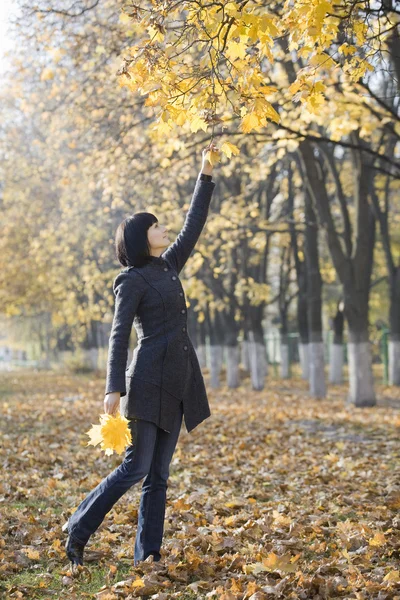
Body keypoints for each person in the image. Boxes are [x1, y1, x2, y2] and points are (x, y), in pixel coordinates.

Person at [64, 142, 219, 567]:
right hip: (147, 382)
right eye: (155, 226)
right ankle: (78, 529)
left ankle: (148, 555)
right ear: (139, 237)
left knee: (159, 477)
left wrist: (205, 174)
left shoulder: (169, 265)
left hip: (179, 382)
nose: (163, 229)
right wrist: (113, 388)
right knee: (135, 469)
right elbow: (118, 336)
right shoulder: (129, 281)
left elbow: (193, 224)